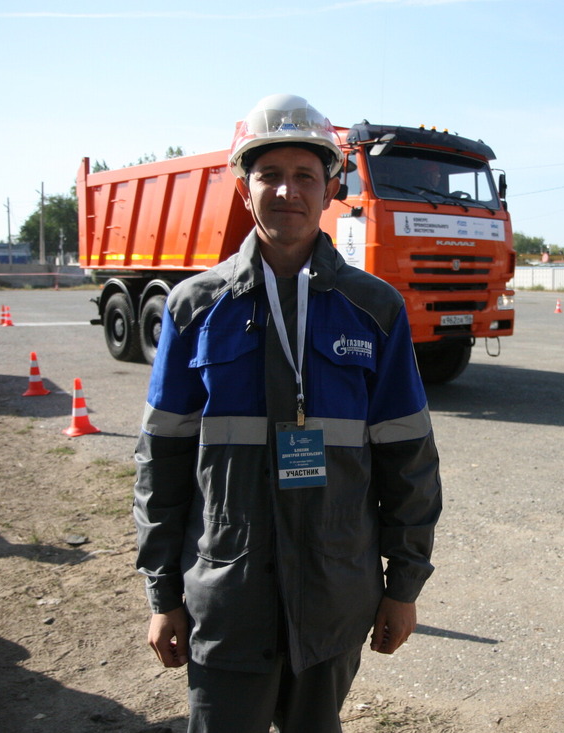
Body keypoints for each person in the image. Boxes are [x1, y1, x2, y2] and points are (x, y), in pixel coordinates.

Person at [133, 93, 443, 733]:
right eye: (269, 174)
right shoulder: (196, 309)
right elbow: (159, 464)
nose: (287, 191)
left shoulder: (373, 310)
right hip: (227, 602)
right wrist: (163, 594)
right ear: (244, 188)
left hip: (333, 599)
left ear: (330, 187)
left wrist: (403, 585)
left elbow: (408, 460)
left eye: (304, 175)